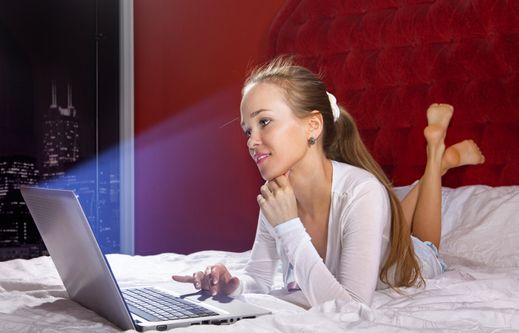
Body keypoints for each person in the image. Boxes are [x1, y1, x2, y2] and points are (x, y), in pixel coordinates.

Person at [172, 57, 485, 307]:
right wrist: (234, 286)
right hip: (375, 225)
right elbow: (260, 279)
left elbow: (352, 307)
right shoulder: (277, 196)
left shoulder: (362, 191)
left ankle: (436, 160)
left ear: (312, 125)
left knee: (426, 244)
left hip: (410, 257)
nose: (252, 141)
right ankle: (436, 164)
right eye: (247, 130)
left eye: (264, 122)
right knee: (393, 221)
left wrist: (288, 226)